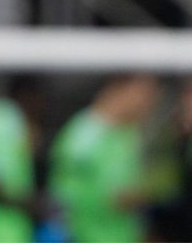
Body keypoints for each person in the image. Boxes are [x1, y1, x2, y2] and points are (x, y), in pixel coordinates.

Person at [48, 74, 161, 242]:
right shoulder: (83, 134)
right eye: (145, 96)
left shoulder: (129, 134)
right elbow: (62, 195)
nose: (149, 105)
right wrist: (111, 200)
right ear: (120, 90)